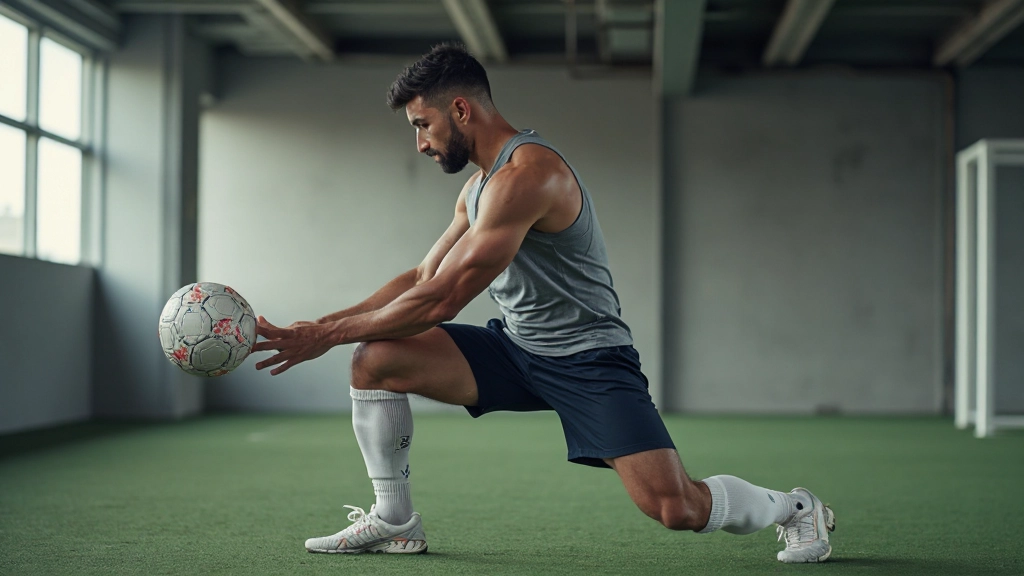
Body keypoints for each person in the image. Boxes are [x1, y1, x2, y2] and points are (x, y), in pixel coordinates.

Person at [252, 43, 835, 563]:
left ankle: (796, 508)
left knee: (676, 507)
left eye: (422, 123)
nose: (421, 142)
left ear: (461, 110)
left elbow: (444, 298)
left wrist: (326, 337)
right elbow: (423, 274)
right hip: (517, 349)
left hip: (589, 361)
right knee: (375, 357)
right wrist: (323, 325)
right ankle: (395, 522)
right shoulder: (476, 188)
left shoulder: (530, 174)